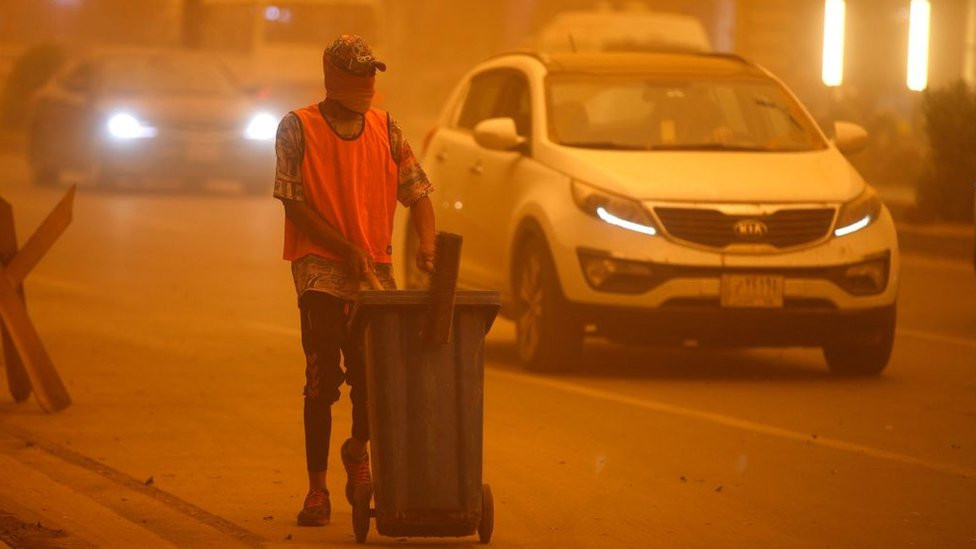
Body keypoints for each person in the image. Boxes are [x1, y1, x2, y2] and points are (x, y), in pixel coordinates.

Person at [273, 34, 436, 527]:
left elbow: (418, 192)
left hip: (374, 277)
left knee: (373, 380)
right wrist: (345, 249)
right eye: (358, 74)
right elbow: (293, 203)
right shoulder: (297, 127)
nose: (367, 83)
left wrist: (427, 244)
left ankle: (357, 450)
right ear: (334, 77)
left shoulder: (386, 128)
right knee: (321, 380)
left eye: (371, 75)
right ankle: (317, 490)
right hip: (320, 271)